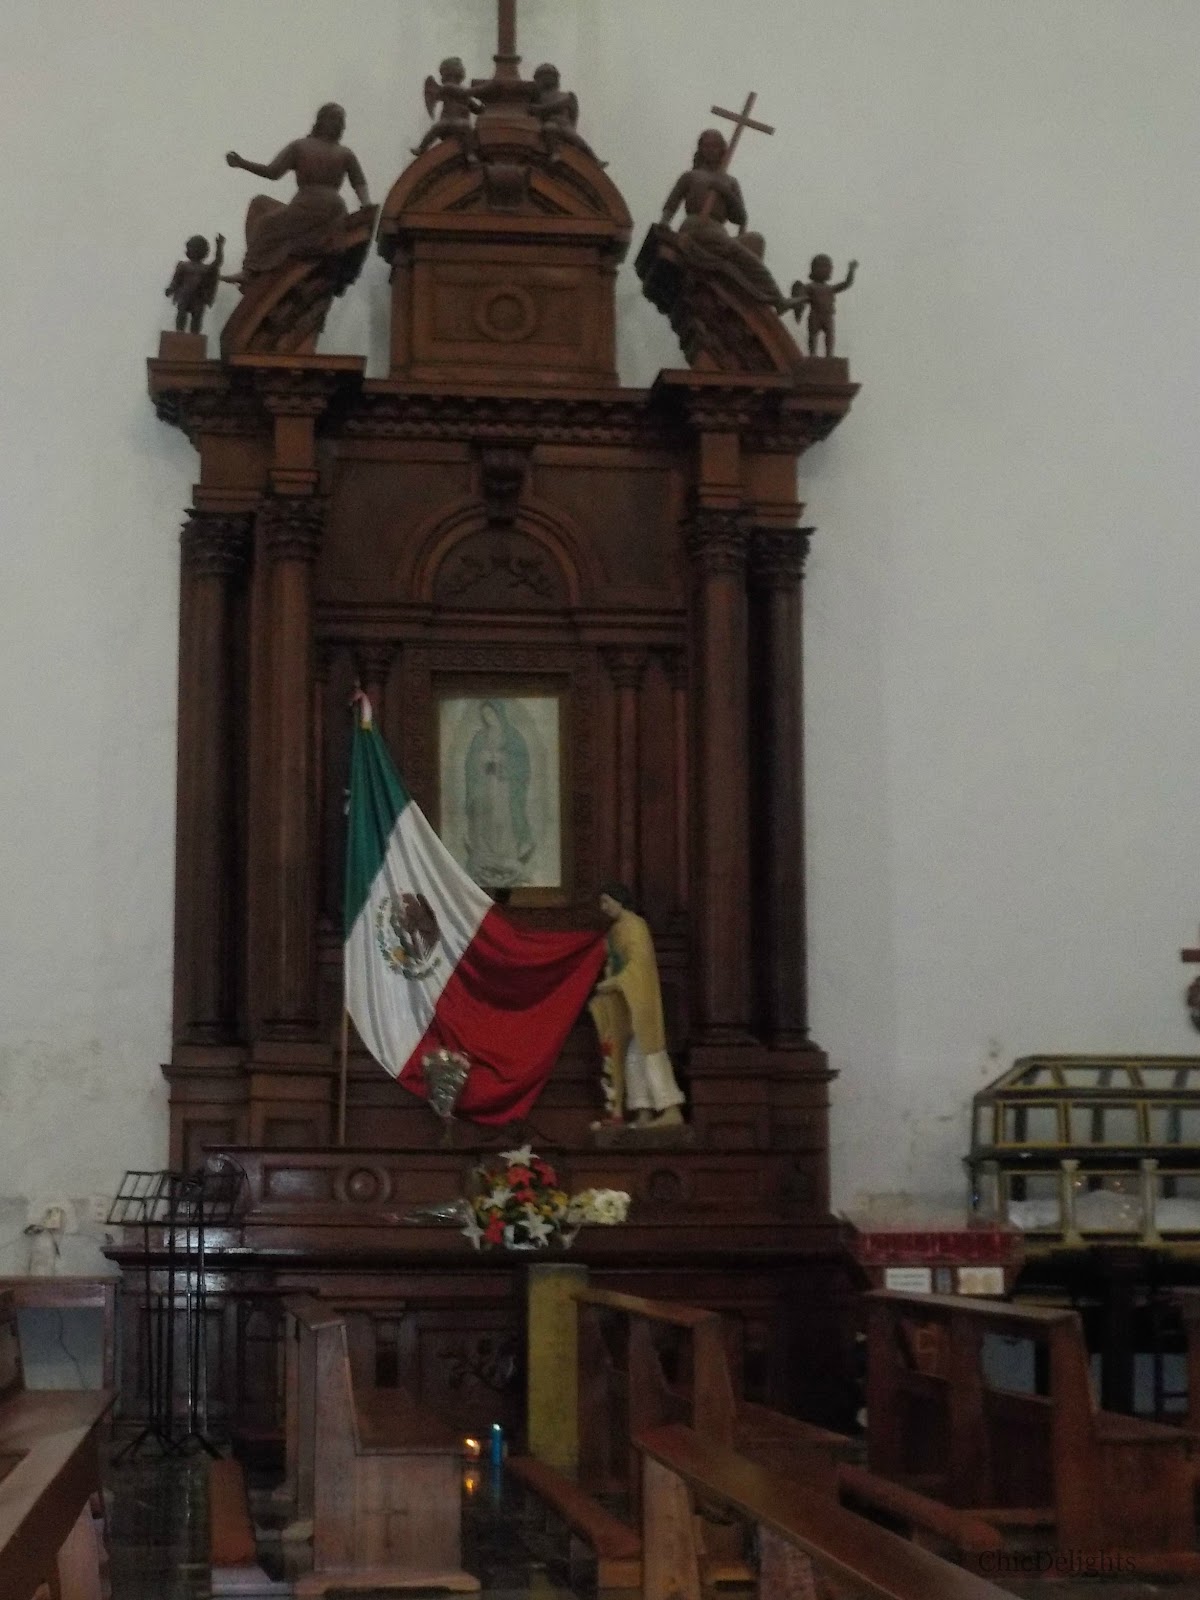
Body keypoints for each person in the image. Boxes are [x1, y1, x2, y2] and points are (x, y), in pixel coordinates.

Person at [225, 103, 370, 279]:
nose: (339, 124)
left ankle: (249, 270)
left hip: (311, 204)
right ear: (321, 121)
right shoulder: (310, 148)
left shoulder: (330, 151)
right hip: (327, 208)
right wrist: (242, 163)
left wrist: (366, 205)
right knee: (264, 207)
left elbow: (359, 182)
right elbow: (272, 172)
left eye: (341, 120)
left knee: (266, 225)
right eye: (335, 119)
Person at [589, 884, 685, 1129]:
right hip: (624, 1004)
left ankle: (670, 1108)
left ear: (619, 900)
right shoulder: (615, 930)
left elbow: (638, 965)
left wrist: (614, 982)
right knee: (632, 1059)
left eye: (606, 901)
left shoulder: (635, 925)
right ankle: (643, 1110)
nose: (603, 907)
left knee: (650, 1053)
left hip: (640, 1000)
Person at [659, 128, 785, 307]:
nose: (711, 150)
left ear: (722, 150)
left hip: (718, 231)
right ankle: (774, 296)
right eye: (707, 145)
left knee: (755, 241)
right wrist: (664, 223)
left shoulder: (730, 182)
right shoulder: (691, 176)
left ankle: (751, 295)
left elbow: (740, 218)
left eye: (715, 146)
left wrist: (726, 192)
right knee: (735, 250)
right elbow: (671, 204)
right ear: (701, 149)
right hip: (696, 225)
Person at [464, 700, 535, 888]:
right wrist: (482, 761)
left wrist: (502, 761)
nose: (489, 718)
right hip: (485, 786)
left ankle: (506, 856)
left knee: (503, 819)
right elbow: (470, 765)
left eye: (491, 714)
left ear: (499, 714)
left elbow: (523, 766)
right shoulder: (479, 737)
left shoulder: (513, 737)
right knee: (485, 819)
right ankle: (485, 855)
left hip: (505, 788)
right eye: (485, 715)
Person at [413, 57, 482, 162]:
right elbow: (461, 93)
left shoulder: (463, 93)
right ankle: (422, 148)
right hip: (448, 121)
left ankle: (470, 153)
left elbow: (474, 107)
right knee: (436, 129)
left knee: (465, 131)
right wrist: (479, 90)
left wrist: (480, 108)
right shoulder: (449, 88)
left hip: (457, 122)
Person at [792, 255, 858, 356]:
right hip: (815, 315)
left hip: (828, 315)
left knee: (830, 336)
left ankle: (829, 355)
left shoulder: (830, 288)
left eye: (829, 267)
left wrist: (851, 270)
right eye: (823, 267)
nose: (827, 270)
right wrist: (797, 300)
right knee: (813, 336)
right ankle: (813, 355)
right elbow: (800, 298)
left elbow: (846, 284)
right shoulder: (810, 287)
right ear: (815, 269)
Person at [165, 234, 224, 333]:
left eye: (198, 249)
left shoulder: (206, 268)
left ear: (204, 252)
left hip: (198, 297)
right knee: (181, 315)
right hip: (184, 295)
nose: (195, 252)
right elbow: (176, 280)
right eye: (192, 249)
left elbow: (218, 262)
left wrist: (219, 247)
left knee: (197, 318)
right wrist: (171, 289)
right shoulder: (183, 265)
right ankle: (179, 334)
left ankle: (195, 336)